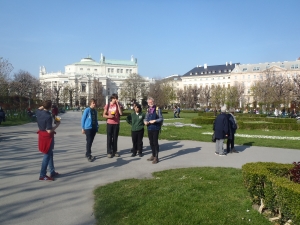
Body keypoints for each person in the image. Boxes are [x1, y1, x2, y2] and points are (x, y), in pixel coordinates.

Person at [36, 100, 60, 181]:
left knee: (50, 153)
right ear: (50, 107)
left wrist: (44, 105)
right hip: (47, 137)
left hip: (41, 134)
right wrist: (57, 125)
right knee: (47, 155)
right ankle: (42, 175)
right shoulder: (48, 116)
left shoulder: (38, 112)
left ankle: (52, 171)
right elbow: (49, 130)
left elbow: (39, 108)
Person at [144, 97, 163, 164]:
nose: (150, 103)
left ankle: (156, 157)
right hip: (149, 128)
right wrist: (145, 121)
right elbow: (145, 118)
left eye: (151, 102)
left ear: (153, 102)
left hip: (155, 128)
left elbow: (161, 118)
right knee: (151, 142)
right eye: (149, 102)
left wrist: (155, 120)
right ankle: (153, 154)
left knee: (155, 142)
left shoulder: (157, 109)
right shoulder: (148, 110)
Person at [103, 94, 123, 158]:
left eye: (116, 98)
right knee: (109, 138)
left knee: (115, 137)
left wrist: (118, 105)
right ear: (112, 98)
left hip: (116, 123)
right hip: (109, 123)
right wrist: (109, 116)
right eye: (114, 98)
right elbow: (104, 115)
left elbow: (121, 113)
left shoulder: (118, 105)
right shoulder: (108, 105)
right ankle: (109, 152)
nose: (115, 100)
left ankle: (115, 151)